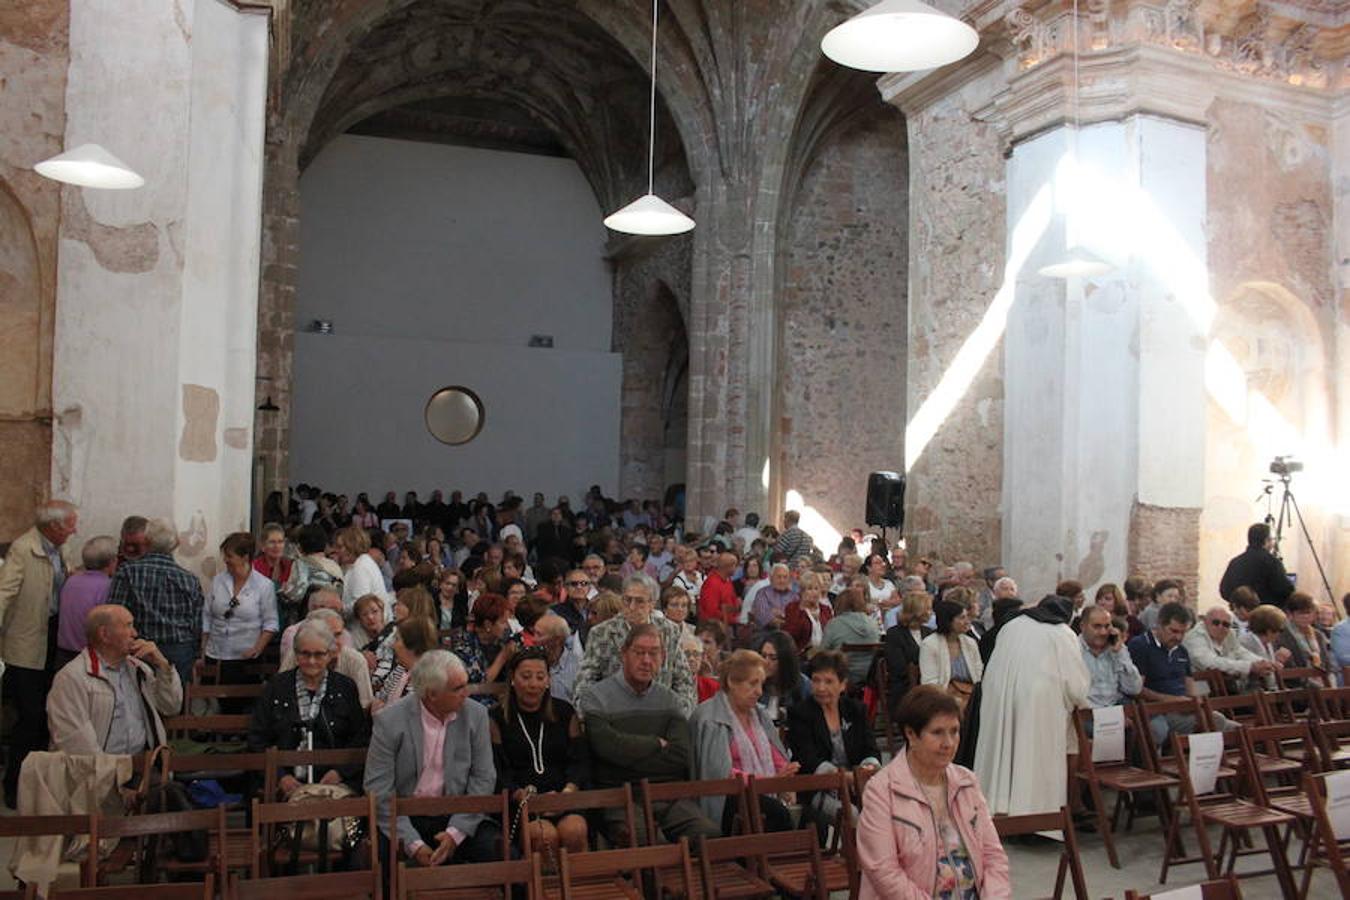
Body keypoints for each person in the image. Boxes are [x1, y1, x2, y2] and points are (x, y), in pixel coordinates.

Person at [857, 685, 1010, 899]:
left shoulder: (967, 782)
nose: (948, 743)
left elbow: (994, 856)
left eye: (954, 731)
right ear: (911, 734)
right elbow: (884, 872)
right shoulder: (881, 790)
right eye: (937, 732)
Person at [578, 625, 719, 845]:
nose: (646, 660)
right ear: (624, 654)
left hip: (668, 795)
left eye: (653, 653)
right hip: (619, 796)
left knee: (707, 834)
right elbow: (607, 749)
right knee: (646, 840)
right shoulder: (596, 698)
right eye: (639, 652)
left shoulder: (670, 701)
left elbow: (680, 754)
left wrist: (628, 754)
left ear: (663, 658)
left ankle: (688, 881)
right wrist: (655, 743)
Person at [365, 650, 504, 868]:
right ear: (432, 694)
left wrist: (455, 834)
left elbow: (484, 778)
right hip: (404, 816)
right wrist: (414, 844)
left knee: (505, 854)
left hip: (459, 813)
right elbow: (378, 789)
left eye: (466, 684)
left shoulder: (476, 715)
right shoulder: (390, 721)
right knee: (368, 864)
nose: (466, 693)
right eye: (458, 688)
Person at [975, 595, 1090, 816]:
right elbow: (1076, 686)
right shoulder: (1062, 633)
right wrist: (1082, 701)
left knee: (1007, 754)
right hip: (1040, 706)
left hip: (1000, 701)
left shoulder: (1011, 626)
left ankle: (1000, 810)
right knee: (1034, 757)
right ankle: (1036, 818)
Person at [249, 621, 368, 796]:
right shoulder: (276, 686)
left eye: (319, 654)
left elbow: (360, 738)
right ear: (296, 654)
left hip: (334, 781)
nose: (312, 661)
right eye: (305, 654)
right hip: (287, 781)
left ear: (330, 655)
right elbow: (257, 739)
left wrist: (340, 772)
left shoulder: (345, 687)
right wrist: (280, 777)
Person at [490, 648, 590, 857]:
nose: (533, 684)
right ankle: (544, 889)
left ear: (548, 680)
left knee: (575, 830)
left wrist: (567, 793)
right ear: (513, 679)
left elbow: (579, 761)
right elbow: (497, 771)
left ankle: (578, 887)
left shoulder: (564, 712)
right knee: (544, 836)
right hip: (522, 802)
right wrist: (520, 794)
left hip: (563, 796)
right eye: (526, 677)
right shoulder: (496, 717)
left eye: (540, 677)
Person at [48, 604, 182, 756]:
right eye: (128, 626)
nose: (135, 633)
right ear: (104, 634)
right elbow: (77, 748)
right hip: (98, 773)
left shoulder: (139, 669)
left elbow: (171, 707)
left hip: (143, 766)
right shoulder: (72, 678)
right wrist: (118, 771)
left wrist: (163, 666)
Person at [689, 650, 798, 832]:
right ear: (732, 682)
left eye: (761, 684)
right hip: (728, 798)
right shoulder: (710, 718)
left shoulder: (759, 714)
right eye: (752, 684)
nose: (759, 692)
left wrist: (786, 775)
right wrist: (767, 782)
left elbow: (777, 756)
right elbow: (718, 774)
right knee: (777, 814)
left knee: (810, 817)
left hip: (762, 792)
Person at [573, 574, 695, 717]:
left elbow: (683, 680)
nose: (631, 607)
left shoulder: (669, 631)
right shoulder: (602, 633)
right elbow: (585, 679)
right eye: (627, 600)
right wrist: (591, 717)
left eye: (639, 601)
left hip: (660, 716)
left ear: (652, 604)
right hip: (614, 717)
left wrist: (679, 717)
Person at [108, 516, 205, 695]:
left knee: (140, 707)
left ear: (148, 542)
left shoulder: (127, 573)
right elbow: (197, 624)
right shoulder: (190, 579)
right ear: (175, 544)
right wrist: (196, 655)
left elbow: (115, 615)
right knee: (175, 705)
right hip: (180, 651)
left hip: (139, 649)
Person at [786, 650, 880, 825]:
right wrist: (846, 778)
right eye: (816, 680)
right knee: (852, 815)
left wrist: (867, 767)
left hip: (856, 783)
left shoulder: (856, 710)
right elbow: (808, 759)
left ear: (843, 684)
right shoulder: (800, 713)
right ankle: (858, 852)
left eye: (829, 682)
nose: (821, 688)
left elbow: (871, 748)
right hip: (817, 787)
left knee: (882, 809)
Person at [1128, 602, 1238, 747]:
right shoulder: (1140, 646)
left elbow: (1190, 685)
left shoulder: (1181, 651)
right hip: (1156, 710)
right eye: (1173, 631)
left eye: (1183, 632)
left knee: (1235, 727)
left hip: (1184, 708)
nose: (1179, 637)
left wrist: (1198, 699)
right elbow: (1136, 689)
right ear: (1159, 624)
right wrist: (1171, 700)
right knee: (1215, 722)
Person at [203, 532, 279, 709]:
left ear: (245, 557)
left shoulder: (263, 586)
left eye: (230, 556)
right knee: (214, 704)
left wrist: (257, 648)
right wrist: (203, 649)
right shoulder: (218, 581)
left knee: (239, 705)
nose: (226, 560)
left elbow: (271, 623)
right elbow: (207, 614)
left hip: (245, 658)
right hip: (216, 654)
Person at [279, 605, 373, 708]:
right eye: (328, 635)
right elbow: (280, 694)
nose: (336, 642)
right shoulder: (297, 655)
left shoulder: (355, 660)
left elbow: (364, 706)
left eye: (338, 634)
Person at [54, 535, 118, 669]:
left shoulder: (71, 581)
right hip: (89, 657)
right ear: (112, 562)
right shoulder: (107, 586)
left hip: (62, 654)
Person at [1182, 603, 1275, 692]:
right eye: (1216, 622)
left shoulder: (1229, 634)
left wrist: (1264, 663)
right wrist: (1249, 666)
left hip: (1224, 688)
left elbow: (1241, 653)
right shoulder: (1194, 637)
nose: (1220, 627)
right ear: (1205, 621)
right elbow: (1210, 663)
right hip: (1200, 691)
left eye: (1226, 624)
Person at [448, 593, 514, 703]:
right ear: (488, 625)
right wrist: (503, 657)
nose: (507, 626)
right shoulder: (464, 643)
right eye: (503, 622)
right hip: (474, 701)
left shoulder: (504, 639)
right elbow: (479, 685)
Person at [919, 600, 983, 711]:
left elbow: (979, 673)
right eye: (962, 618)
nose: (967, 621)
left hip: (971, 694)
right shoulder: (930, 644)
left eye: (967, 617)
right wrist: (952, 698)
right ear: (948, 621)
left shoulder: (970, 643)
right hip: (942, 696)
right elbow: (930, 682)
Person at [1078, 605, 1144, 709]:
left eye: (1107, 626)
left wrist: (1119, 653)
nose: (1103, 632)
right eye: (1097, 626)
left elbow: (1134, 689)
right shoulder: (1072, 649)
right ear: (1083, 626)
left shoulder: (1118, 648)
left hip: (1116, 706)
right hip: (1086, 710)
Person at [1219, 522, 1294, 609]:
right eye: (1272, 539)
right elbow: (1285, 590)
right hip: (1266, 616)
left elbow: (1224, 590)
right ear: (1266, 541)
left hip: (1240, 614)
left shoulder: (1235, 562)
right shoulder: (1273, 562)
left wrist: (1240, 606)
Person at [373, 615, 439, 711]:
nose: (392, 645)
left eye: (397, 639)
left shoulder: (430, 681)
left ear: (412, 646)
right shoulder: (400, 670)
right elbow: (380, 699)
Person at [884, 591, 934, 715]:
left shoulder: (930, 632)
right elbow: (898, 667)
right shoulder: (894, 634)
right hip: (905, 688)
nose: (930, 612)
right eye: (927, 609)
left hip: (930, 683)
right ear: (916, 610)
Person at [821, 587, 881, 684]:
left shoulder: (834, 624)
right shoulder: (873, 623)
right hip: (871, 676)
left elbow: (823, 653)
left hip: (843, 675)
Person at [1278, 592, 1335, 683]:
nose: (1305, 617)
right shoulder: (1281, 634)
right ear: (1290, 614)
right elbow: (1288, 667)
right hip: (1295, 686)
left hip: (1321, 683)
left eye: (1308, 613)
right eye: (1301, 613)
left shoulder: (1318, 635)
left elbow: (1327, 665)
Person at [336, 526, 390, 619]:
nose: (338, 551)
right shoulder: (363, 562)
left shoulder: (360, 568)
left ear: (352, 546)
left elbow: (361, 603)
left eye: (341, 547)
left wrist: (337, 609)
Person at [756, 630, 810, 722]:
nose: (766, 662)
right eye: (763, 656)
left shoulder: (803, 685)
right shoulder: (755, 683)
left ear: (785, 660)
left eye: (773, 658)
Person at [783, 571, 833, 655]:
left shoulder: (826, 610)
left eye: (816, 588)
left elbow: (831, 633)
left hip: (824, 655)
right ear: (802, 591)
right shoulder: (793, 608)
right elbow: (792, 634)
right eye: (810, 589)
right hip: (802, 655)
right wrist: (802, 609)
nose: (814, 592)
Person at [1238, 604, 1293, 670]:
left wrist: (1276, 660)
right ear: (1269, 630)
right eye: (1280, 630)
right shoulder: (1246, 642)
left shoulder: (1268, 643)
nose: (1279, 634)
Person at [551, 569, 592, 645]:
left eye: (584, 583)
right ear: (565, 588)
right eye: (574, 584)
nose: (579, 587)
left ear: (589, 588)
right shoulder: (554, 612)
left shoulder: (597, 608)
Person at [750, 564, 798, 630]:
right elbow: (765, 617)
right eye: (779, 577)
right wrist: (787, 618)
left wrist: (778, 613)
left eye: (785, 577)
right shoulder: (763, 593)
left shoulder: (794, 596)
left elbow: (799, 617)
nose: (782, 580)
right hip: (768, 633)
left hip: (791, 633)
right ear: (771, 578)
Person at [681, 632, 720, 703]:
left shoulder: (712, 687)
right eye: (686, 654)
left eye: (696, 654)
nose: (691, 659)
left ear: (702, 658)